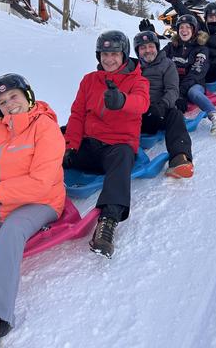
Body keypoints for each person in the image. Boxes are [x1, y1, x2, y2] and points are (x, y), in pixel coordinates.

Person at [0, 74, 65, 347]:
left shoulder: (45, 128)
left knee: (10, 233)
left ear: (28, 96)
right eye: (2, 101)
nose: (9, 104)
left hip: (38, 203)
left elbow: (40, 184)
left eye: (13, 96)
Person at [62, 31, 150, 259]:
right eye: (104, 54)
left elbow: (141, 103)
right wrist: (71, 145)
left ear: (124, 55)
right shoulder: (89, 80)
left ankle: (108, 221)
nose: (109, 59)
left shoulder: (138, 81)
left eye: (114, 54)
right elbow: (77, 115)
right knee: (50, 138)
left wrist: (122, 100)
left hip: (116, 146)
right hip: (88, 145)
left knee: (123, 157)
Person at [133, 30, 195, 176]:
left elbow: (172, 90)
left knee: (175, 115)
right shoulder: (133, 67)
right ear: (137, 51)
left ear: (157, 47)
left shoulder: (167, 64)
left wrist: (161, 106)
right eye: (143, 48)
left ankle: (179, 157)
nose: (147, 50)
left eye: (151, 46)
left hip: (159, 111)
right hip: (137, 113)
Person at [163, 14, 216, 135]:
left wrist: (180, 93)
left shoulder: (201, 49)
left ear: (194, 30)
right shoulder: (171, 47)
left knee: (193, 93)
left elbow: (196, 72)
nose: (184, 30)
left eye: (188, 27)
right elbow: (158, 60)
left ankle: (215, 117)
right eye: (181, 27)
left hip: (194, 82)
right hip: (174, 83)